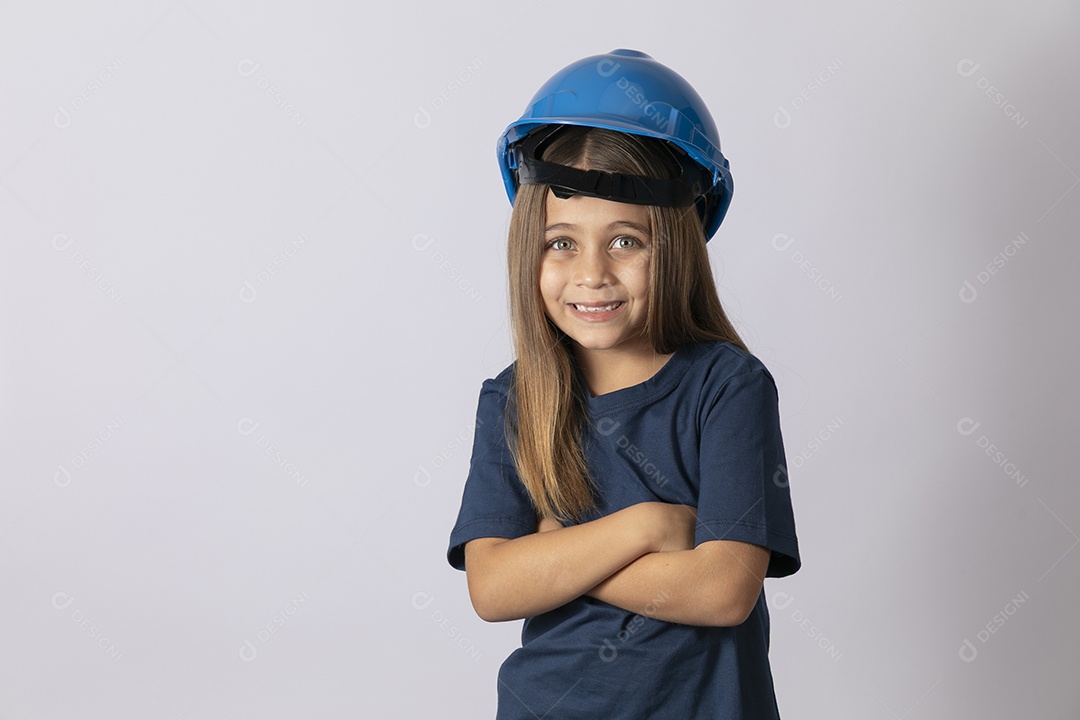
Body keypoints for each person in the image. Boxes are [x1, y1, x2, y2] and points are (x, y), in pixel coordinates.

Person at [447, 48, 801, 719]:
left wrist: (553, 556)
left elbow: (723, 590)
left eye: (625, 241)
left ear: (679, 243)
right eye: (561, 243)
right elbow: (492, 588)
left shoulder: (729, 388)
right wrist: (647, 525)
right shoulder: (514, 399)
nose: (592, 274)